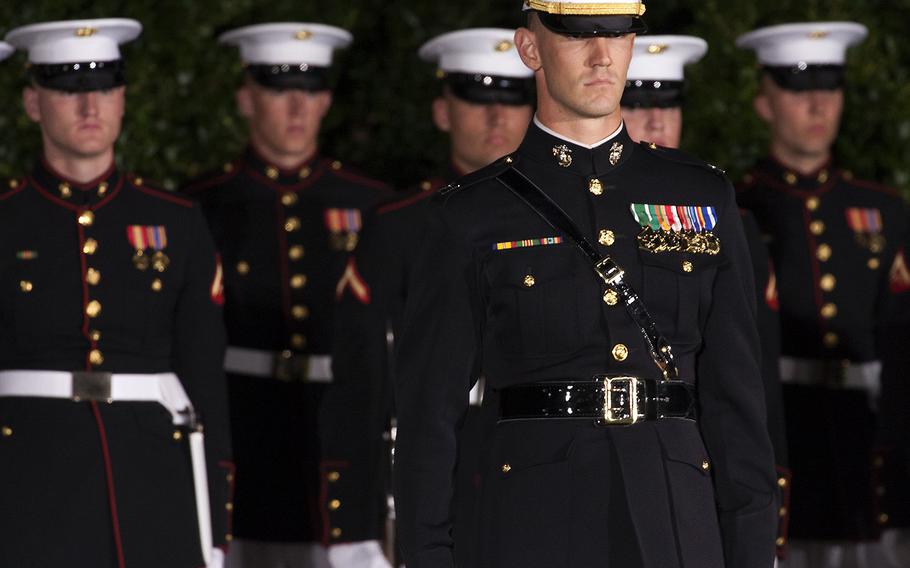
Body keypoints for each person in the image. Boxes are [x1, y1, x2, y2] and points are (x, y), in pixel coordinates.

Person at [393, 1, 778, 567]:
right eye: (578, 36)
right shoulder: (471, 216)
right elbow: (429, 418)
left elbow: (737, 401)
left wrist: (750, 551)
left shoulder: (699, 196)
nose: (602, 57)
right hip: (533, 518)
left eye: (617, 35)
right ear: (530, 49)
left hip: (676, 512)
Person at [0, 18, 232, 568]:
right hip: (29, 476)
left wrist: (216, 521)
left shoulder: (175, 222)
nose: (90, 108)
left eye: (104, 89)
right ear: (33, 104)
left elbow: (205, 376)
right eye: (68, 90)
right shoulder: (7, 221)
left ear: (123, 99)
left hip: (152, 476)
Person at [320, 27, 535, 567]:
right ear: (443, 113)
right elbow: (362, 379)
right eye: (477, 99)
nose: (496, 117)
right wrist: (352, 522)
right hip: (427, 474)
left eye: (512, 99)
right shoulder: (398, 226)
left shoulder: (573, 220)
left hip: (540, 468)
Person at [183, 22, 394, 568]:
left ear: (326, 101)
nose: (297, 108)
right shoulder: (202, 205)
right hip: (244, 425)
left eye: (311, 92)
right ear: (246, 99)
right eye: (279, 91)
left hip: (342, 429)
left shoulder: (374, 205)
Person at [737, 21, 909, 568]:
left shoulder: (882, 209)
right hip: (782, 432)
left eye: (829, 89)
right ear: (764, 102)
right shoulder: (737, 209)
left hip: (866, 445)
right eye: (796, 89)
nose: (817, 106)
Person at [622, 33, 792, 558]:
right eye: (639, 102)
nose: (655, 121)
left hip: (692, 473)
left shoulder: (721, 217)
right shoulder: (592, 218)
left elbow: (746, 381)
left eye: (668, 103)